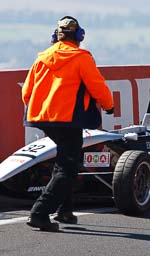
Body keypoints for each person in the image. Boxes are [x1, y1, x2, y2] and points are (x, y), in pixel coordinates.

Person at [22, 16, 114, 231]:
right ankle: (40, 212)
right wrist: (109, 105)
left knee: (63, 161)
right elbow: (97, 86)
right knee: (68, 168)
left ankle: (64, 211)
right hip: (68, 120)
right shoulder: (81, 57)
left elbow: (26, 92)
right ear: (79, 36)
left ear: (57, 36)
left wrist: (38, 109)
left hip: (42, 118)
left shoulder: (42, 58)